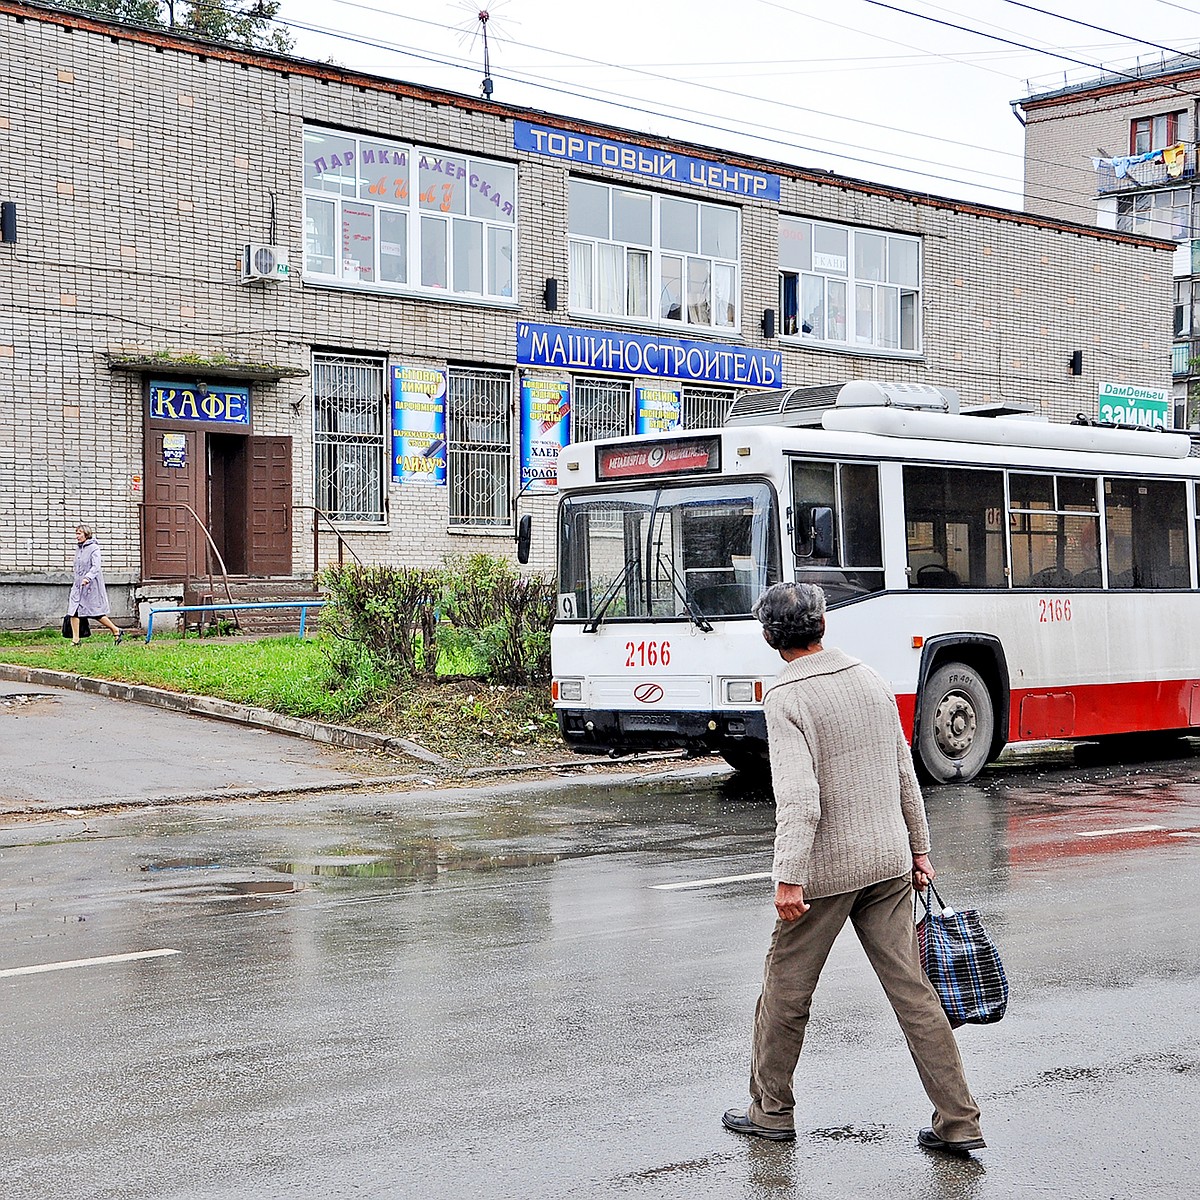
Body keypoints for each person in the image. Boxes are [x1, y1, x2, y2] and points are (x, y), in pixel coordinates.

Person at [722, 581, 984, 1155]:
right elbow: (903, 772)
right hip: (888, 861)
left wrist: (788, 876)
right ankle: (959, 1119)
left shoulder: (785, 697)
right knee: (914, 993)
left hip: (825, 873)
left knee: (785, 993)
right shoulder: (869, 678)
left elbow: (799, 798)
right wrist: (920, 849)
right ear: (822, 627)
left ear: (769, 637)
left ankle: (771, 1111)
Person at [68, 525, 123, 645]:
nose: (77, 536)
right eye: (76, 534)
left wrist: (88, 577)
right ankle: (76, 640)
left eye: (79, 533)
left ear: (86, 534)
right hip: (78, 585)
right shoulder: (79, 549)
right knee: (73, 611)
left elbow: (96, 566)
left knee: (95, 613)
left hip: (91, 586)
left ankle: (116, 630)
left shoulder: (94, 548)